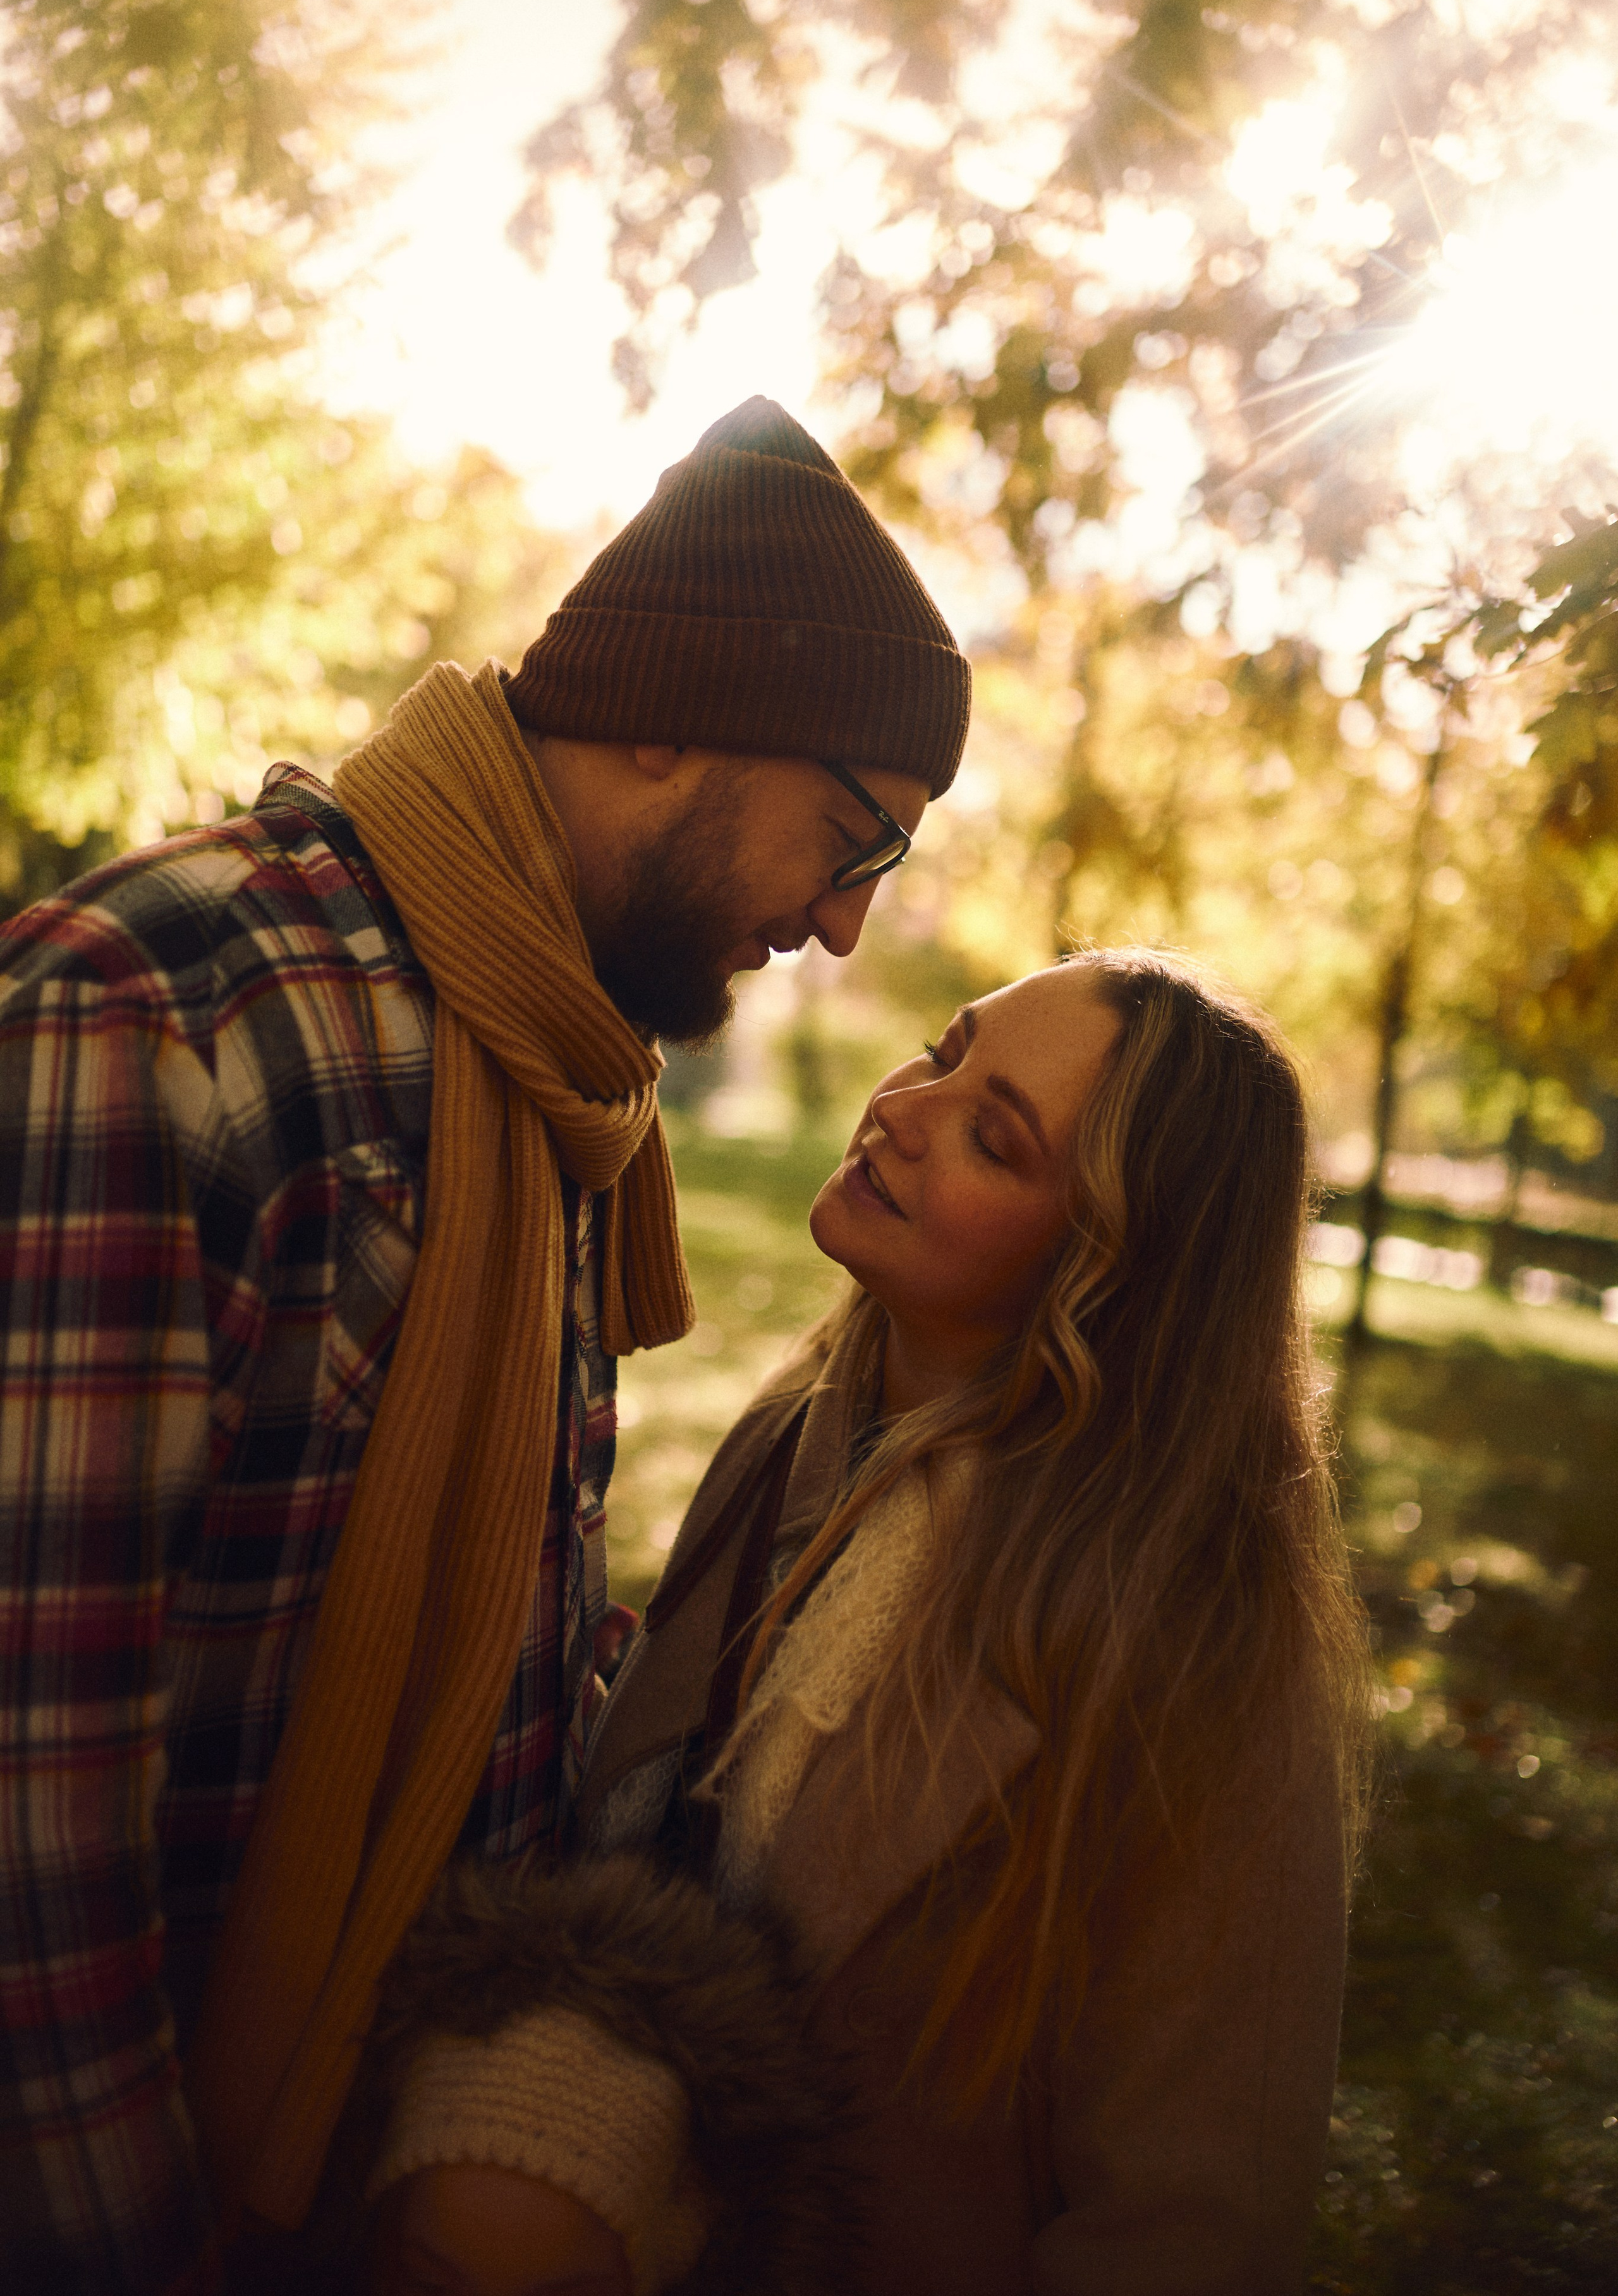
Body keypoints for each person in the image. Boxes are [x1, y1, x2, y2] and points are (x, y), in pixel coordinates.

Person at [0, 394, 970, 2293]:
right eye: (853, 835)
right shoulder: (154, 1017)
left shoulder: (550, 1071)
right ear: (667, 713)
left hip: (379, 2145)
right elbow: (28, 1802)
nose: (851, 930)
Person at [364, 950, 1372, 2296]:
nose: (904, 1105)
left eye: (991, 1137)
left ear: (1107, 1275)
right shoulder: (796, 1436)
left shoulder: (1195, 1650)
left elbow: (1189, 2210)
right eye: (945, 1050)